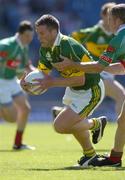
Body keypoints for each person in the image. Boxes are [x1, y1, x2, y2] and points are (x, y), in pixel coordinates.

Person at [21, 14, 107, 167]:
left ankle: (96, 124)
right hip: (74, 90)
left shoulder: (69, 46)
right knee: (70, 122)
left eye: (42, 33)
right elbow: (42, 76)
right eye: (37, 33)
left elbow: (81, 79)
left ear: (53, 32)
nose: (38, 37)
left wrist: (51, 82)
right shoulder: (45, 49)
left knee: (60, 126)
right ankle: (90, 156)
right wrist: (28, 84)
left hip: (91, 90)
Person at [53, 4, 125, 167]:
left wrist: (74, 64)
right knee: (123, 121)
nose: (108, 23)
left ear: (117, 20)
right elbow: (121, 68)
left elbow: (99, 66)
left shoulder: (118, 38)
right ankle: (115, 159)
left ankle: (114, 157)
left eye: (110, 19)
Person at [0, 20, 35, 150]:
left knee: (25, 109)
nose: (30, 39)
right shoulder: (6, 45)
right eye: (27, 36)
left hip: (11, 81)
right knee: (12, 118)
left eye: (31, 36)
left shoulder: (24, 46)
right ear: (19, 34)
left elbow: (27, 65)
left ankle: (18, 143)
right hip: (1, 83)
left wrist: (40, 74)